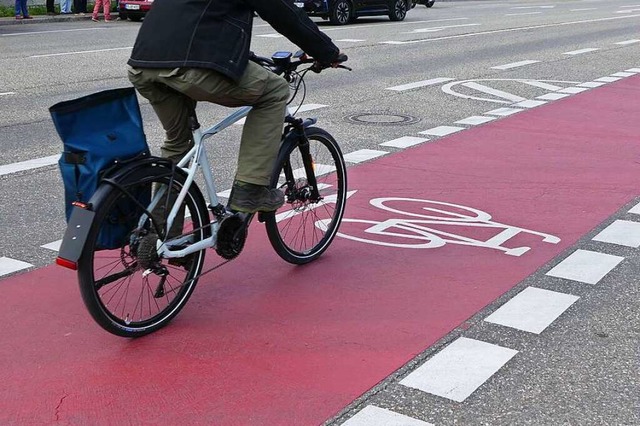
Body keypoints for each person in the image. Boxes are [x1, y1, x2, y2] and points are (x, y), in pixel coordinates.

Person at [127, 0, 344, 214]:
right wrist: (327, 53)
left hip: (144, 64)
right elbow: (283, 12)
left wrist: (243, 56)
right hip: (189, 64)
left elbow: (201, 18)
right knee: (274, 90)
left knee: (178, 141)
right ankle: (250, 190)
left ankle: (158, 235)